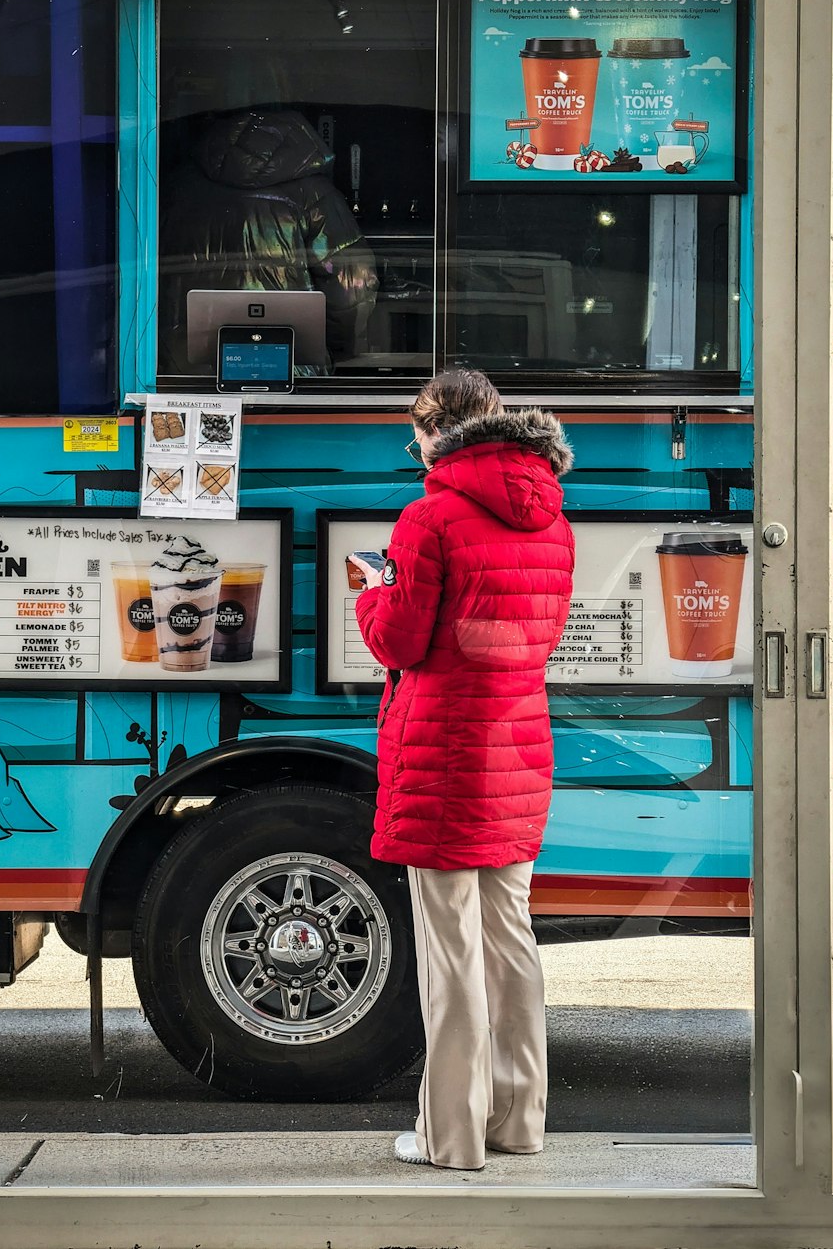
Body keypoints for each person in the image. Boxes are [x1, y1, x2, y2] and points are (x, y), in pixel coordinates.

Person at [350, 368, 575, 1172]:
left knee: (450, 951)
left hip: (446, 747)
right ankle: (519, 1119)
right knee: (510, 938)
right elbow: (532, 635)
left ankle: (450, 1137)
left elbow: (403, 641)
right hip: (517, 744)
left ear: (431, 431)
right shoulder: (552, 516)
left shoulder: (428, 515)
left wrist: (373, 593)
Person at [157, 108, 377, 374]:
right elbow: (350, 289)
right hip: (284, 368)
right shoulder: (314, 195)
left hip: (187, 370)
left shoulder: (176, 188)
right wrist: (336, 350)